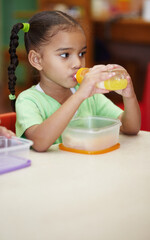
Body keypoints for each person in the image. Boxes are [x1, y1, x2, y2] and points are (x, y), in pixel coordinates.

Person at [8, 10, 141, 152]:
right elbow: (39, 143)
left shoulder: (90, 97)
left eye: (81, 53)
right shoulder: (29, 100)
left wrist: (129, 96)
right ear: (37, 60)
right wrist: (79, 96)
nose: (78, 63)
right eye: (65, 55)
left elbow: (130, 128)